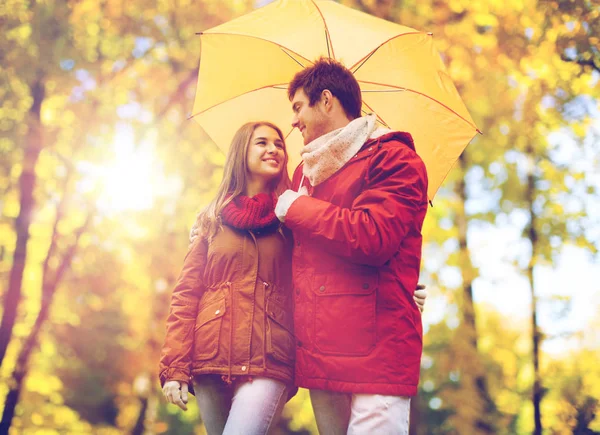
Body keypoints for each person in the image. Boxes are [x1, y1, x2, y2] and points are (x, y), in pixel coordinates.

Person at [273, 58, 429, 434]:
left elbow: (373, 235)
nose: (292, 121)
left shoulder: (394, 158)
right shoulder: (305, 173)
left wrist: (298, 206)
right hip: (320, 351)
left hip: (376, 353)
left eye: (298, 107)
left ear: (326, 100)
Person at [159, 121, 296, 435]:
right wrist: (175, 367)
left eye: (279, 144)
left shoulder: (292, 218)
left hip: (269, 359)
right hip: (210, 359)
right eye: (262, 143)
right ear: (241, 153)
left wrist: (399, 287)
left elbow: (324, 272)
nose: (274, 149)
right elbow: (186, 295)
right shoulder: (211, 219)